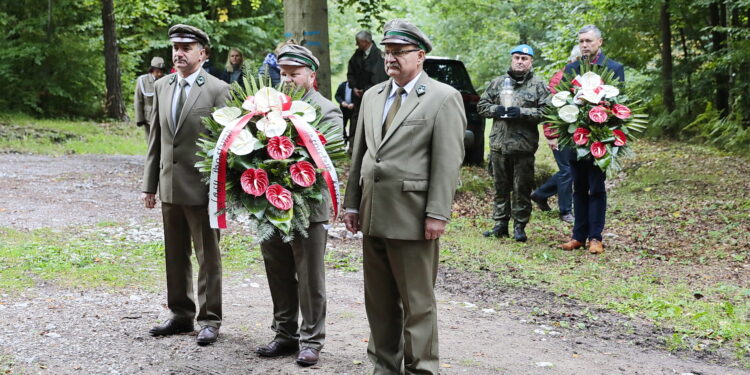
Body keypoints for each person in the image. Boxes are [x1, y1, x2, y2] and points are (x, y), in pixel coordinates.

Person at [343, 19, 465, 375]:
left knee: (417, 302)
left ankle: (422, 369)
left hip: (413, 215)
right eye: (387, 52)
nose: (390, 59)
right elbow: (360, 154)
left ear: (420, 56)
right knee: (379, 302)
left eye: (399, 52)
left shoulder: (443, 97)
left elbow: (447, 162)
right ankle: (384, 366)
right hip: (373, 212)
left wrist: (438, 213)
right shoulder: (374, 96)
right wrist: (352, 203)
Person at [254, 44, 343, 368]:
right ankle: (284, 333)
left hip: (308, 206)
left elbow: (327, 158)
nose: (288, 79)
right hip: (271, 203)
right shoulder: (266, 107)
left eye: (295, 74)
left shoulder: (327, 109)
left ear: (311, 75)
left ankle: (311, 340)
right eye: (283, 73)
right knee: (277, 269)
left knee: (309, 277)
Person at [141, 24, 230, 346]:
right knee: (175, 253)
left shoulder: (218, 90)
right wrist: (149, 185)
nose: (179, 53)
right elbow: (156, 139)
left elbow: (229, 143)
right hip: (169, 186)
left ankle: (209, 319)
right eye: (175, 48)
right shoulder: (162, 86)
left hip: (203, 188)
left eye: (186, 48)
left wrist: (223, 190)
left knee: (208, 256)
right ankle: (180, 314)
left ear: (202, 53)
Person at [560, 24, 625, 254]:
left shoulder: (614, 68)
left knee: (596, 188)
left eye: (588, 41)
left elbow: (618, 102)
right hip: (575, 138)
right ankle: (578, 236)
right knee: (579, 187)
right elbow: (563, 99)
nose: (584, 45)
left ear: (600, 42)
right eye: (581, 42)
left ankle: (595, 237)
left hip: (600, 138)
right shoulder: (572, 69)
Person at [477, 44, 549, 242]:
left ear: (530, 61)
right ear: (511, 59)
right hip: (499, 145)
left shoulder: (539, 85)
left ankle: (520, 226)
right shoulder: (498, 83)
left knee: (522, 189)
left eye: (524, 58)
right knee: (500, 187)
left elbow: (547, 112)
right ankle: (500, 224)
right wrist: (496, 110)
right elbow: (482, 106)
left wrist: (522, 113)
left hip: (523, 147)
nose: (520, 61)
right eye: (517, 57)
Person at [530, 45, 582, 224]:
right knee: (567, 170)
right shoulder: (560, 78)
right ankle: (566, 211)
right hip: (560, 133)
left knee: (572, 170)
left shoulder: (586, 78)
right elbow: (549, 108)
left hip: (578, 133)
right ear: (573, 60)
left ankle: (540, 194)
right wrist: (551, 134)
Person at [346, 30, 389, 149]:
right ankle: (353, 147)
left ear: (365, 42)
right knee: (355, 121)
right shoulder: (356, 55)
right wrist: (354, 87)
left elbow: (379, 78)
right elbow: (350, 72)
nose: (357, 45)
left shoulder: (379, 56)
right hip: (358, 97)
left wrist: (365, 90)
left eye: (358, 42)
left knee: (371, 121)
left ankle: (370, 148)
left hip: (373, 96)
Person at [134, 57, 165, 141]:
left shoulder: (166, 80)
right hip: (149, 118)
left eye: (161, 71)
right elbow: (138, 101)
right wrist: (139, 119)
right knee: (151, 141)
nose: (159, 74)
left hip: (163, 118)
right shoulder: (143, 81)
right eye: (157, 71)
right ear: (152, 70)